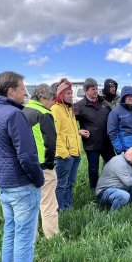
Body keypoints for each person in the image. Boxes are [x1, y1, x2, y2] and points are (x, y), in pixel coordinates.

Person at [0, 71, 44, 262]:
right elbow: (27, 155)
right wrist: (38, 179)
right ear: (11, 91)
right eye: (22, 88)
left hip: (4, 184)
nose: (25, 92)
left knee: (10, 230)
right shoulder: (14, 114)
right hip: (21, 185)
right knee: (25, 235)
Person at [23, 84, 59, 239]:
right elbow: (50, 142)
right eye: (52, 99)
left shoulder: (23, 111)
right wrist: (50, 164)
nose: (53, 103)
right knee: (48, 203)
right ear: (43, 98)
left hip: (26, 164)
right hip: (43, 165)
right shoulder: (44, 114)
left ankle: (33, 235)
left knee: (30, 204)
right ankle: (53, 237)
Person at [73, 78, 115, 189]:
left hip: (107, 142)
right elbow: (69, 123)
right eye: (93, 89)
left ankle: (109, 185)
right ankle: (94, 189)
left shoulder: (104, 103)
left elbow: (113, 118)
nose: (96, 91)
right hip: (92, 144)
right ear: (86, 90)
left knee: (112, 164)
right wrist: (79, 131)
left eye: (96, 88)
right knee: (93, 168)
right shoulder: (79, 106)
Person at [51, 78, 82, 211]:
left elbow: (68, 130)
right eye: (68, 93)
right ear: (60, 94)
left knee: (70, 183)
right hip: (64, 155)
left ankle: (68, 206)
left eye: (71, 93)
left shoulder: (69, 109)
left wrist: (79, 132)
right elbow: (55, 134)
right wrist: (65, 154)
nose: (71, 95)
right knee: (61, 184)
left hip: (75, 153)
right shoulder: (55, 110)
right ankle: (60, 208)